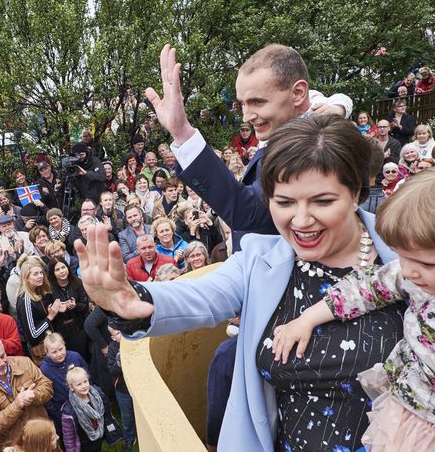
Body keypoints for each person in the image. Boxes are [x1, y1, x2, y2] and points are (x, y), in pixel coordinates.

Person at [76, 115, 405, 451]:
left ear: (357, 193)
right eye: (285, 202)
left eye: (322, 201)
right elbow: (200, 295)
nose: (302, 220)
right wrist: (133, 302)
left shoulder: (409, 255)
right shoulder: (259, 260)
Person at [270, 169, 435, 450]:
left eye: (426, 264)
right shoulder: (410, 272)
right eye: (401, 256)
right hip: (408, 412)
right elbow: (367, 287)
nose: (407, 271)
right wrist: (308, 318)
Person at [144, 44, 352, 252]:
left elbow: (247, 212)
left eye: (257, 102)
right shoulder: (291, 121)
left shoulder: (311, 147)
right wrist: (340, 104)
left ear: (297, 93)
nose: (246, 116)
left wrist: (182, 132)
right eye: (243, 103)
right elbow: (310, 100)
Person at [0, 337, 53, 448]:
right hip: (15, 446)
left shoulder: (25, 362)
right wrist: (17, 405)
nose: (1, 363)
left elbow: (48, 387)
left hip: (43, 435)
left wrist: (34, 395)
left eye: (3, 356)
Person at [60, 365, 122, 452]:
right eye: (79, 384)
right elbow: (69, 436)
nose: (84, 386)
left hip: (98, 436)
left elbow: (107, 414)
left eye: (85, 381)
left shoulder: (98, 396)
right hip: (84, 442)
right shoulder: (69, 411)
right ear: (71, 387)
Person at [40, 333, 89, 431]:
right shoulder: (44, 370)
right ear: (47, 352)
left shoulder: (75, 357)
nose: (59, 354)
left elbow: (87, 375)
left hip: (83, 402)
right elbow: (46, 396)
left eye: (61, 349)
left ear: (64, 345)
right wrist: (56, 413)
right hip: (63, 409)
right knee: (70, 436)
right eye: (54, 352)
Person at [106, 325, 136, 452]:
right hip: (123, 390)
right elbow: (112, 372)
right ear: (113, 337)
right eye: (118, 333)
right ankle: (129, 438)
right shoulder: (113, 349)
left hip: (137, 387)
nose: (122, 335)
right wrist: (119, 363)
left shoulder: (135, 342)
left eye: (123, 331)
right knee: (127, 416)